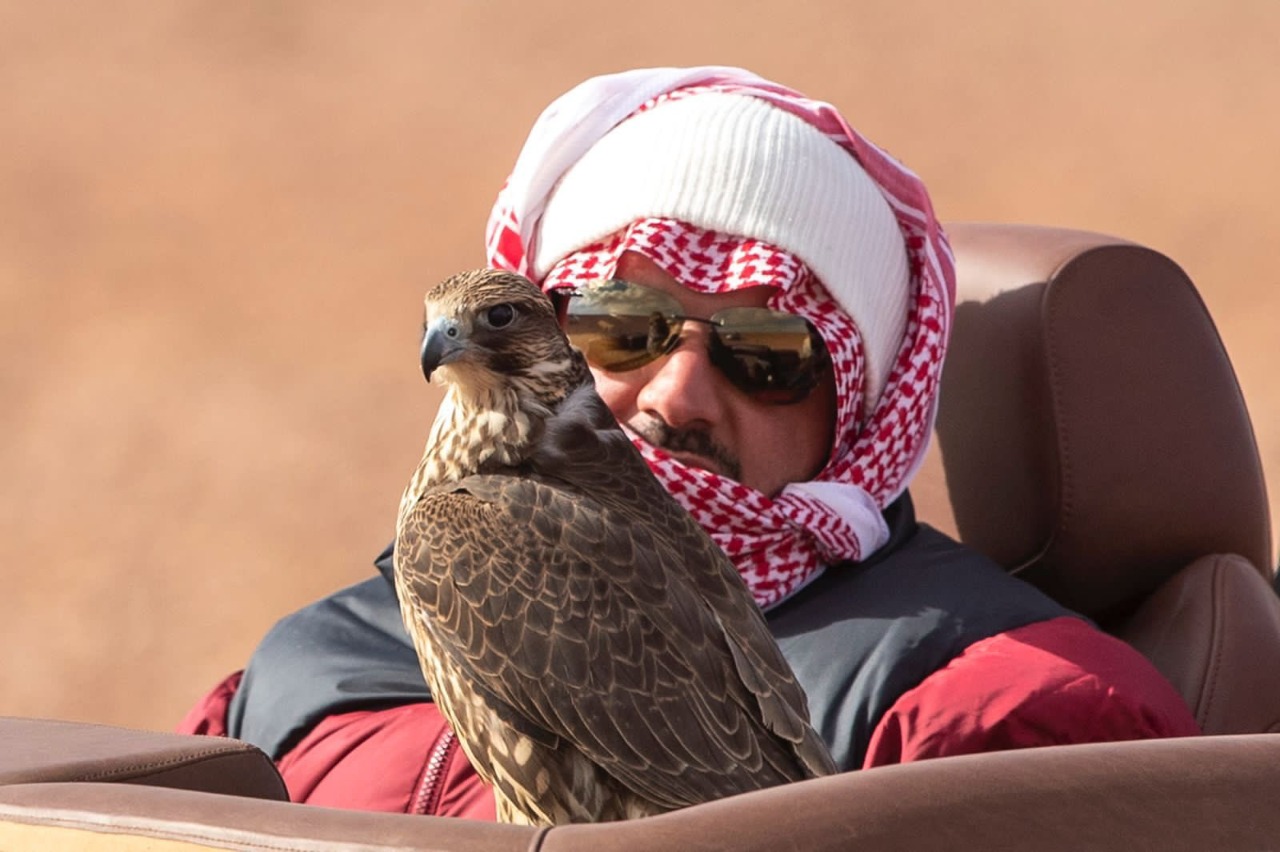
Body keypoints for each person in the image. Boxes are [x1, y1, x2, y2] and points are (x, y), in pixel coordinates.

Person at [179, 65, 1200, 818]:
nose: (678, 394)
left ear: (860, 409)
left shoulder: (995, 715)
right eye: (621, 327)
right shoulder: (310, 670)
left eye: (765, 354)